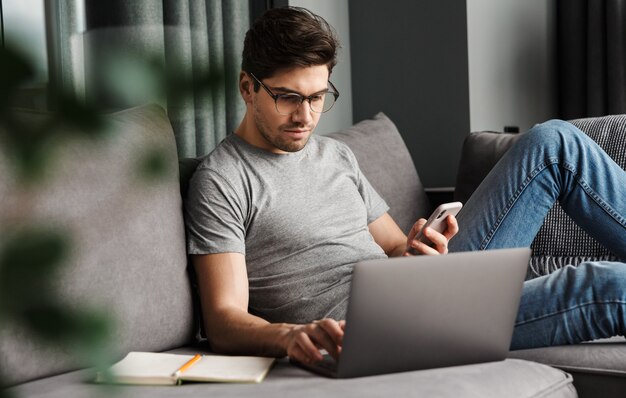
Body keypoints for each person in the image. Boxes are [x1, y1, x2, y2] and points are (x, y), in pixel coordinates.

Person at [185, 6, 626, 365]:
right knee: (605, 286)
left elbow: (397, 249)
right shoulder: (223, 179)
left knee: (554, 142)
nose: (306, 116)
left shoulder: (334, 155)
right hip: (383, 332)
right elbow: (224, 320)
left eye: (318, 97)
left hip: (418, 290)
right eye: (289, 98)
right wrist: (290, 336)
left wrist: (418, 246)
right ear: (247, 86)